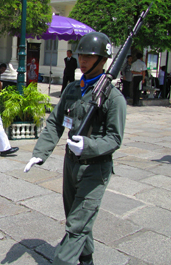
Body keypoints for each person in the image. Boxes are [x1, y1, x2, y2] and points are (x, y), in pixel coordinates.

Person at [24, 32, 126, 265]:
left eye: (90, 57)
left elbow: (114, 139)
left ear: (103, 60)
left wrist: (88, 146)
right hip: (71, 165)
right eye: (81, 55)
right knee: (76, 217)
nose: (83, 61)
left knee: (76, 226)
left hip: (95, 169)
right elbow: (54, 122)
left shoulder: (114, 97)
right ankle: (87, 260)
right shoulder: (72, 89)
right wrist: (40, 154)